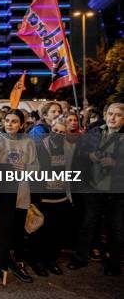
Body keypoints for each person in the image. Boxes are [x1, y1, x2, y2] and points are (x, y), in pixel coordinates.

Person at [0, 109, 38, 283]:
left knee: (16, 231)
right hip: (0, 193)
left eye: (14, 121)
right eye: (7, 120)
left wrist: (26, 169)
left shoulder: (28, 142)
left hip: (20, 193)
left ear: (21, 125)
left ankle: (16, 263)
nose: (9, 124)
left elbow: (36, 168)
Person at [69, 103, 124, 276]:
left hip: (117, 190)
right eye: (110, 113)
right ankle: (81, 257)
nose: (112, 118)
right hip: (93, 187)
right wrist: (89, 156)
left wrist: (117, 164)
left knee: (116, 228)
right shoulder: (95, 132)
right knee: (88, 224)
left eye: (117, 115)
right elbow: (81, 153)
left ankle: (114, 263)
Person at [30, 117, 75, 277]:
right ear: (51, 129)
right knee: (40, 231)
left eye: (62, 132)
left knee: (56, 232)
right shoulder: (39, 145)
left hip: (61, 197)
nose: (58, 134)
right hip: (43, 197)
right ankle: (37, 261)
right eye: (56, 130)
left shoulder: (69, 148)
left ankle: (51, 260)